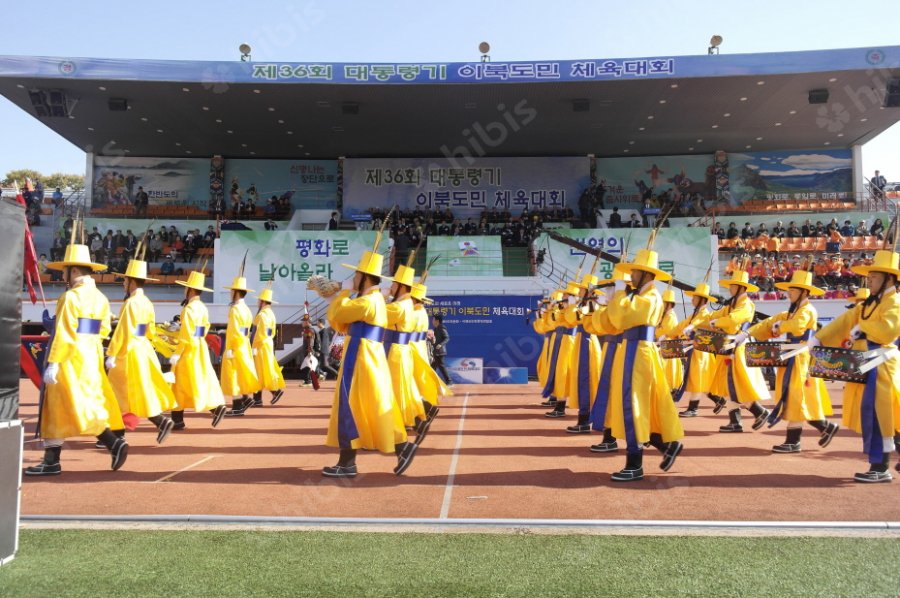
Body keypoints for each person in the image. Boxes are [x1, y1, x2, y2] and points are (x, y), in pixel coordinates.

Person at [26, 236, 128, 476]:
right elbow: (103, 330)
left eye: (64, 271)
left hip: (68, 359)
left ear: (72, 271)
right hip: (89, 358)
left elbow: (64, 332)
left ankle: (112, 442)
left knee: (63, 406)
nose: (62, 275)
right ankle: (52, 460)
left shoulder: (69, 298)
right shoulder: (101, 298)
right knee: (77, 404)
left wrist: (54, 362)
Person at [318, 246, 418, 477]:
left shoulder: (367, 301)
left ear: (363, 277)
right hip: (366, 354)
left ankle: (348, 463)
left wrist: (341, 293)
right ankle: (399, 448)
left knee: (349, 404)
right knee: (368, 405)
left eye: (355, 275)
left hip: (360, 356)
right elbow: (340, 322)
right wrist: (342, 296)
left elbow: (337, 315)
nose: (352, 279)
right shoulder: (371, 300)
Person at [813, 248, 900, 482]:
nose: (869, 281)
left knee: (880, 413)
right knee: (879, 413)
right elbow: (844, 321)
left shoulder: (894, 302)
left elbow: (887, 331)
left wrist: (863, 326)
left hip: (882, 361)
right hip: (869, 361)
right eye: (869, 278)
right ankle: (879, 464)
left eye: (874, 278)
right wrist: (819, 337)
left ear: (889, 279)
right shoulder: (870, 304)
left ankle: (880, 467)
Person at [602, 248, 684, 481]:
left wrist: (618, 295)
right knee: (634, 403)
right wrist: (611, 299)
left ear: (646, 274)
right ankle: (666, 446)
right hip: (632, 351)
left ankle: (635, 463)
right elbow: (612, 323)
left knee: (633, 404)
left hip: (638, 353)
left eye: (635, 272)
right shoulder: (639, 296)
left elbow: (621, 318)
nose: (631, 277)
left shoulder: (651, 297)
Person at [746, 269, 837, 453]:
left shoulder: (807, 310)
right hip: (792, 355)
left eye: (793, 291)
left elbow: (797, 326)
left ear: (804, 292)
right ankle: (822, 427)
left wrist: (780, 326)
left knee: (796, 396)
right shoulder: (791, 311)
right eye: (790, 290)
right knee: (793, 397)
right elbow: (769, 323)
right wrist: (748, 332)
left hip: (801, 357)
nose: (789, 293)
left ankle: (798, 438)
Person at [105, 250, 176, 444]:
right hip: (143, 349)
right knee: (138, 391)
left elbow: (124, 330)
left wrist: (112, 352)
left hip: (128, 351)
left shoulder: (131, 303)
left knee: (118, 392)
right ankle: (156, 422)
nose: (123, 284)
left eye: (125, 280)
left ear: (132, 282)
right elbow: (148, 330)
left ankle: (117, 435)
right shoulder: (146, 302)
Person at [706, 265, 772, 433]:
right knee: (728, 386)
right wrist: (703, 321)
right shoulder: (732, 304)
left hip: (738, 348)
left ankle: (760, 411)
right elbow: (716, 316)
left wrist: (716, 322)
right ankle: (735, 421)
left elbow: (733, 319)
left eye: (733, 285)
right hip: (728, 347)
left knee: (737, 384)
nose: (730, 288)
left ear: (741, 287)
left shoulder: (746, 304)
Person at [169, 268, 227, 429]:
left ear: (191, 289)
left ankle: (214, 409)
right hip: (199, 345)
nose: (184, 290)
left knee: (181, 384)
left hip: (188, 349)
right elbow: (204, 328)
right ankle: (178, 419)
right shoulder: (202, 307)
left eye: (186, 287)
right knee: (198, 379)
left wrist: (177, 353)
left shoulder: (188, 309)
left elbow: (186, 335)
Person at [671, 282, 716, 417]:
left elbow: (697, 323)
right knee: (697, 378)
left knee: (697, 378)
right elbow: (682, 325)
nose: (692, 300)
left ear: (702, 300)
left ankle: (693, 408)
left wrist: (691, 327)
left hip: (701, 350)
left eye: (695, 297)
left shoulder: (704, 313)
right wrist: (670, 333)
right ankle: (718, 399)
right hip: (694, 349)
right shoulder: (695, 314)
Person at [221, 271, 262, 416]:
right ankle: (243, 401)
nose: (230, 293)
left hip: (236, 346)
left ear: (236, 292)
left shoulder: (235, 309)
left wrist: (230, 348)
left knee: (233, 376)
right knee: (240, 375)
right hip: (243, 345)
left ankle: (237, 406)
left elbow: (233, 330)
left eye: (231, 290)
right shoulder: (246, 309)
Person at [250, 285, 285, 405]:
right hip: (268, 344)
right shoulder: (271, 314)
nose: (257, 301)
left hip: (261, 346)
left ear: (263, 301)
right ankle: (257, 399)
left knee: (260, 371)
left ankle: (274, 391)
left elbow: (260, 333)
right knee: (263, 371)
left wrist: (253, 347)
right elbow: (272, 332)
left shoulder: (262, 315)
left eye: (259, 300)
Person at [431, 313, 452, 386]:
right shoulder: (436, 328)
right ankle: (431, 381)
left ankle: (449, 381)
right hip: (436, 352)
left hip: (440, 352)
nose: (432, 321)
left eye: (433, 319)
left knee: (441, 366)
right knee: (433, 367)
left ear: (437, 320)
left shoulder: (442, 327)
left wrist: (440, 345)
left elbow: (447, 338)